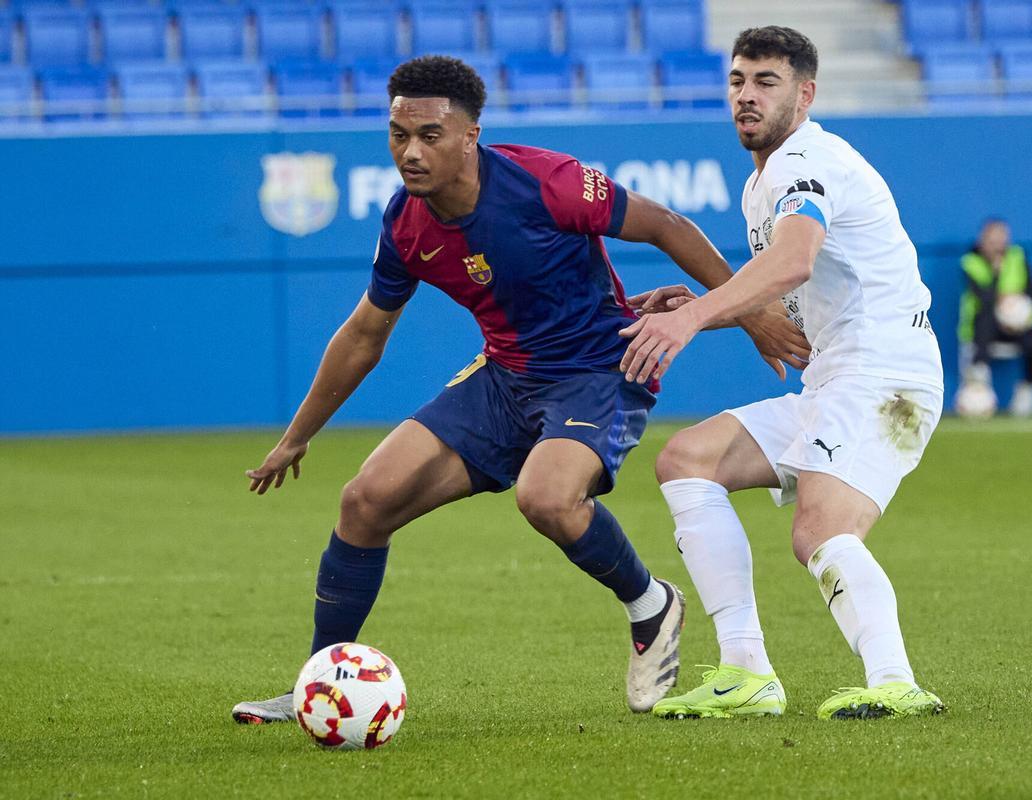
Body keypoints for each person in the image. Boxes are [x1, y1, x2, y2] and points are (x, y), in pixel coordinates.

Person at [231, 56, 807, 723]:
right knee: (364, 501)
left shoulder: (547, 183)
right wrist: (296, 437)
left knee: (547, 498)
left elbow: (666, 226)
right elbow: (364, 334)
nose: (410, 153)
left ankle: (650, 604)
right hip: (505, 378)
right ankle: (318, 682)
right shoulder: (405, 223)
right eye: (398, 135)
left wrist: (748, 313)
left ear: (469, 135)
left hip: (599, 369)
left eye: (429, 136)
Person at [620, 26, 946, 720]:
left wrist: (694, 316)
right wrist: (706, 306)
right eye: (738, 80)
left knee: (819, 530)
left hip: (884, 374)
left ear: (805, 94)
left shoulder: (807, 160)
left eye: (766, 82)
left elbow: (794, 260)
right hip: (838, 374)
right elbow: (794, 287)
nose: (747, 95)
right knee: (687, 460)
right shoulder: (763, 181)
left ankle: (896, 682)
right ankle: (746, 673)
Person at [958, 218, 1032, 417]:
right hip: (983, 329)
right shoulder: (970, 262)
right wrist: (997, 276)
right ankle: (979, 376)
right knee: (985, 318)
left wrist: (1018, 310)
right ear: (982, 240)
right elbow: (983, 298)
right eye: (992, 240)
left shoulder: (1018, 257)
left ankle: (1026, 389)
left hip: (1017, 328)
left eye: (1001, 239)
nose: (997, 245)